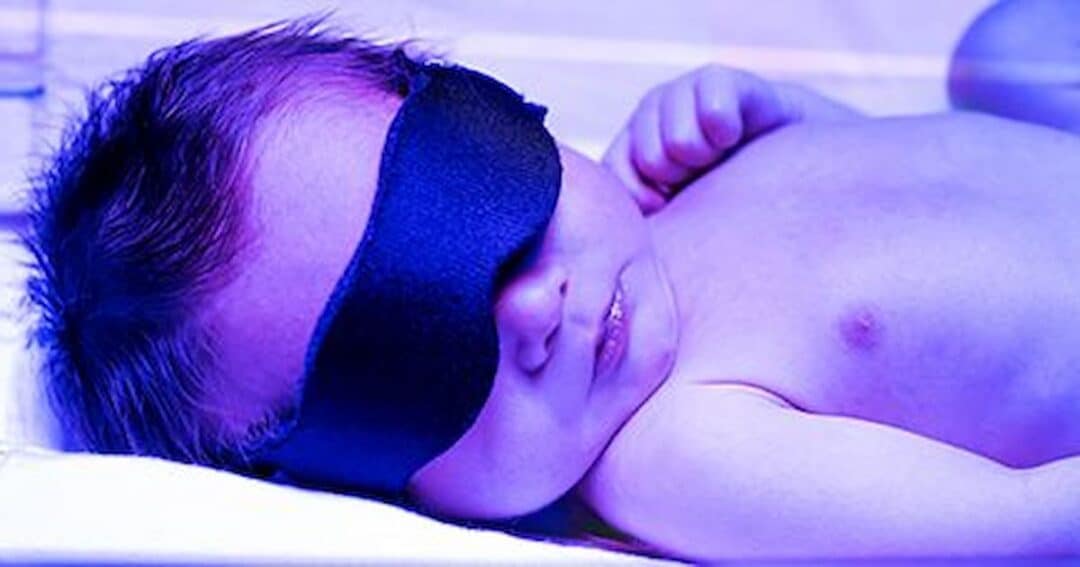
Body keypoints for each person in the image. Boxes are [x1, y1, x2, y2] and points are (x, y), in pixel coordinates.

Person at [23, 2, 1080, 560]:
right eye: (416, 349)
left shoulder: (672, 185)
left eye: (476, 193)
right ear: (367, 488)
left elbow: (926, 199)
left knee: (1003, 51)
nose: (533, 307)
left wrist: (799, 123)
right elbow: (1017, 529)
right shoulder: (681, 453)